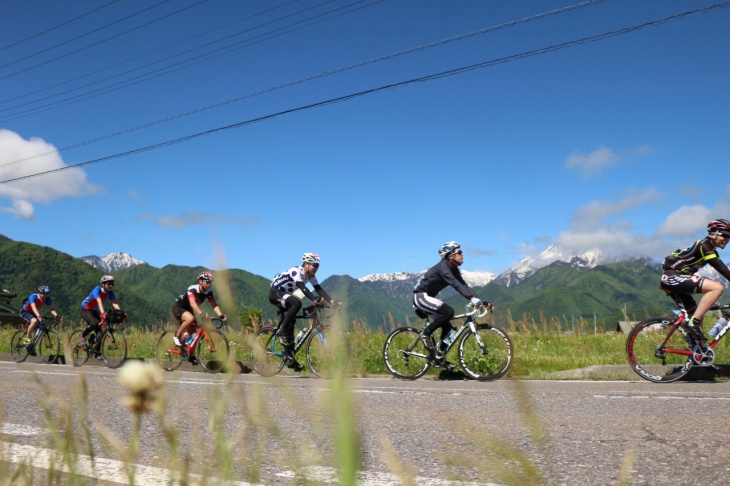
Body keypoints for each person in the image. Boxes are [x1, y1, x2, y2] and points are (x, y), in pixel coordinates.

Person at [413, 241, 493, 370]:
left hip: (429, 298)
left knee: (450, 331)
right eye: (459, 252)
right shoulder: (443, 267)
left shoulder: (454, 269)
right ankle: (425, 334)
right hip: (421, 296)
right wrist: (471, 298)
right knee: (449, 312)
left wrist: (481, 301)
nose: (462, 254)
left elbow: (463, 285)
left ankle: (440, 358)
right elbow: (455, 284)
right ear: (451, 255)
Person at [661, 218, 730, 342]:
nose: (727, 239)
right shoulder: (705, 246)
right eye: (724, 235)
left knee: (697, 324)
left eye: (729, 236)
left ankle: (698, 355)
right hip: (673, 276)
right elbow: (724, 271)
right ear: (713, 233)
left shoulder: (709, 249)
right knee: (717, 288)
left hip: (677, 278)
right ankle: (693, 322)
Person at [269, 253, 336, 372]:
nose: (316, 268)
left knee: (291, 324)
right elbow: (303, 289)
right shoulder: (296, 271)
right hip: (276, 293)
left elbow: (318, 289)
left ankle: (290, 359)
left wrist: (332, 301)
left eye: (318, 266)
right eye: (314, 265)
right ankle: (281, 331)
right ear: (306, 264)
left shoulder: (311, 275)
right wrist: (314, 299)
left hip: (286, 296)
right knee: (297, 303)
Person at [171, 271, 227, 359]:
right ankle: (177, 336)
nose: (209, 284)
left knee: (195, 336)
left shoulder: (208, 292)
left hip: (188, 310)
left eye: (210, 282)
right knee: (190, 319)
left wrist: (221, 316)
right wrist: (202, 315)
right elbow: (193, 304)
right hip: (178, 307)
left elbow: (214, 304)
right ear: (200, 281)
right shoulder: (192, 289)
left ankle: (190, 356)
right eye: (207, 282)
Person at [79, 275, 121, 356]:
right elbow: (99, 301)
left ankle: (97, 352)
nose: (111, 286)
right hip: (86, 309)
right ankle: (82, 336)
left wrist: (121, 313)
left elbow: (114, 303)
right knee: (94, 323)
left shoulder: (110, 293)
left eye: (112, 284)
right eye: (109, 284)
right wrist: (102, 313)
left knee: (99, 333)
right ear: (103, 284)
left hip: (94, 311)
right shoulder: (97, 289)